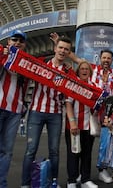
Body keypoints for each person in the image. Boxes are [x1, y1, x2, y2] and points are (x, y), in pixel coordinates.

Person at [21, 36, 75, 188]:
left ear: (68, 52)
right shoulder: (42, 62)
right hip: (36, 111)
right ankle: (25, 184)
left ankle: (53, 182)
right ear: (55, 48)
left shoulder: (67, 72)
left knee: (54, 151)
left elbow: (71, 93)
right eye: (61, 47)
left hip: (55, 114)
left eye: (66, 49)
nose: (63, 51)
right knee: (30, 150)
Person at [0, 29, 28, 188]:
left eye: (21, 41)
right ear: (8, 42)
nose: (17, 43)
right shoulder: (2, 56)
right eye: (14, 39)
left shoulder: (26, 64)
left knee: (7, 151)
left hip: (15, 111)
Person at [65, 61, 99, 188]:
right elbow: (68, 104)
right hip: (75, 126)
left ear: (90, 72)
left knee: (87, 153)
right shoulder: (74, 85)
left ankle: (85, 179)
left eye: (87, 69)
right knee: (73, 153)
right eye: (82, 69)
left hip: (88, 126)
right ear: (78, 71)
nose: (84, 71)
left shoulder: (94, 86)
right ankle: (72, 180)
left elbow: (98, 105)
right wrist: (72, 122)